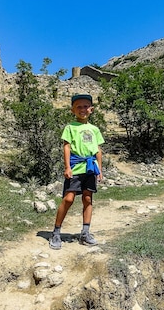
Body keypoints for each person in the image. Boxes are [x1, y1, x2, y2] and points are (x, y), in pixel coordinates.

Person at [49, 93, 104, 250]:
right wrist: (67, 167)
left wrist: (99, 168)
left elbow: (98, 150)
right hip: (75, 167)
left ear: (91, 109)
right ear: (73, 110)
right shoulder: (70, 127)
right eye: (78, 107)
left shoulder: (94, 129)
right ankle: (56, 232)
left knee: (87, 198)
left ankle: (85, 233)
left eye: (86, 106)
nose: (82, 109)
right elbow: (66, 146)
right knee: (68, 199)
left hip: (90, 167)